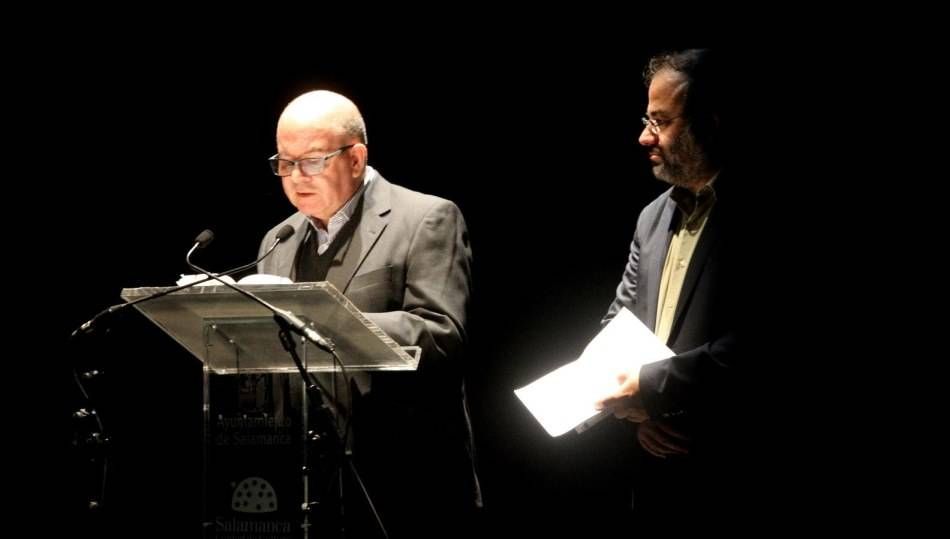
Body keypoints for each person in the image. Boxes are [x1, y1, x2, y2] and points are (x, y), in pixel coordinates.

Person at [256, 90, 480, 536]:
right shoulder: (277, 241)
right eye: (285, 162)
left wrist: (327, 322)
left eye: (313, 161)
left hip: (407, 479)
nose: (296, 176)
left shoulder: (426, 218)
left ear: (355, 159)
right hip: (305, 482)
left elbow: (440, 335)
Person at [594, 49, 759, 526]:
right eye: (647, 118)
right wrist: (642, 412)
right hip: (655, 461)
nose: (644, 136)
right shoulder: (652, 217)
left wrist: (653, 391)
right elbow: (620, 320)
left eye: (661, 121)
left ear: (710, 122)